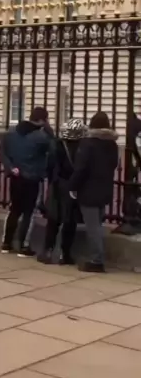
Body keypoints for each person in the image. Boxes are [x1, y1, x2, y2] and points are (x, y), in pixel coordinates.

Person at [68, 111, 119, 273]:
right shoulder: (112, 144)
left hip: (88, 189)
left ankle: (97, 260)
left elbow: (81, 168)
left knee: (92, 227)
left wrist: (72, 186)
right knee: (97, 225)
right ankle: (97, 257)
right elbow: (114, 165)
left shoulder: (88, 143)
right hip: (104, 188)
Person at [0, 106, 53, 257]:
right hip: (32, 177)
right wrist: (49, 130)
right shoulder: (41, 137)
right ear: (42, 120)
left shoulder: (11, 132)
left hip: (16, 176)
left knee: (14, 210)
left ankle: (6, 242)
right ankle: (23, 245)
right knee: (29, 212)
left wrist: (10, 167)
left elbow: (2, 152)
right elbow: (53, 148)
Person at [37, 118, 87, 266]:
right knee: (70, 221)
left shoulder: (57, 144)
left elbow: (50, 165)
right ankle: (65, 254)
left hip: (58, 184)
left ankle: (48, 250)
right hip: (73, 186)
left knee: (53, 219)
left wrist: (52, 179)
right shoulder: (83, 147)